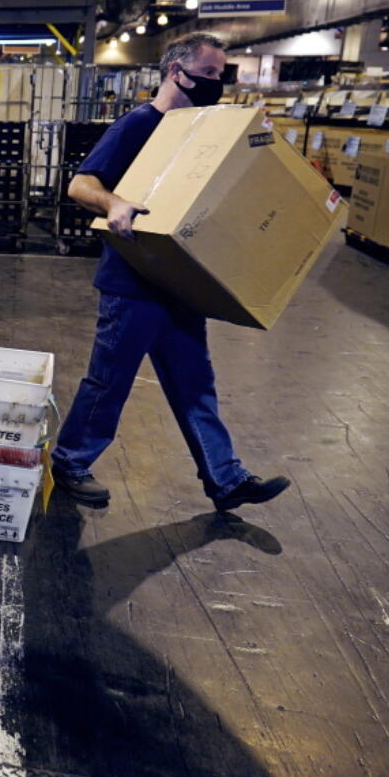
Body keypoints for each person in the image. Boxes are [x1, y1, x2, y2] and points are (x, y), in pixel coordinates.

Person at [52, 32, 290, 512]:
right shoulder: (138, 124)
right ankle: (71, 462)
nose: (215, 84)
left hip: (181, 282)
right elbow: (81, 184)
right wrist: (114, 201)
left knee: (194, 381)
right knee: (110, 380)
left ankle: (225, 479)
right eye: (207, 75)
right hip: (133, 282)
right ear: (175, 72)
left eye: (221, 77)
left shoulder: (201, 131)